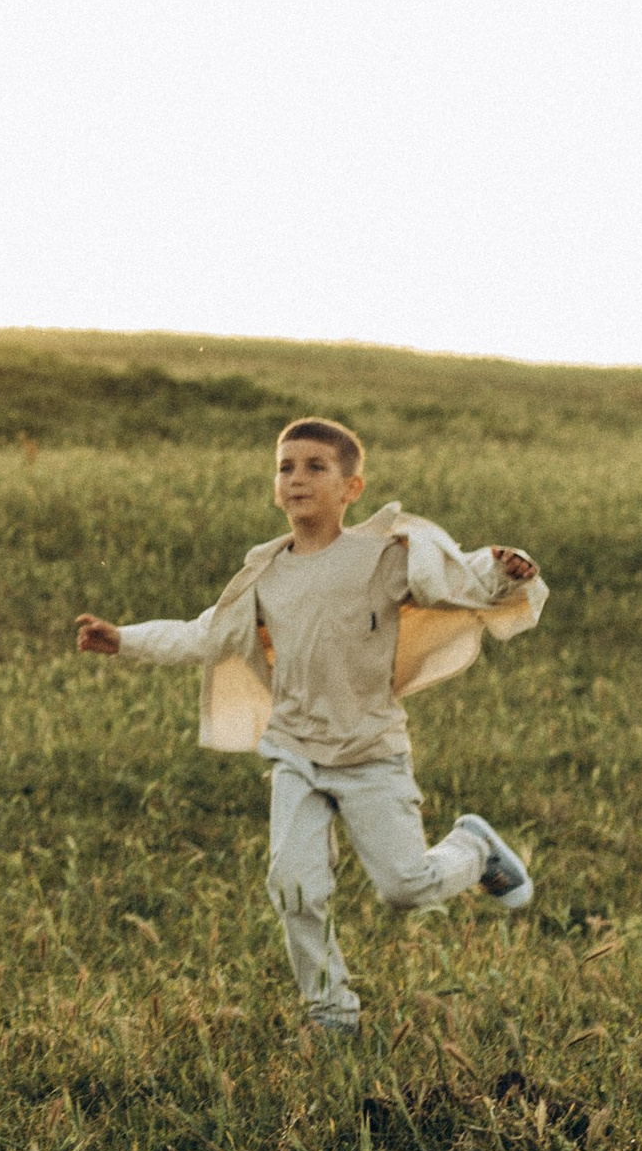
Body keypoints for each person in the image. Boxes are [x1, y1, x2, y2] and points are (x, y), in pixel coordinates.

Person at [74, 417, 547, 1046]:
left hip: (370, 753)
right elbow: (206, 633)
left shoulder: (382, 556)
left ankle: (475, 849)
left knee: (405, 888)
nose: (297, 479)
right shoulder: (266, 572)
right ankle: (331, 1008)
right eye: (285, 467)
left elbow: (458, 581)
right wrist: (124, 640)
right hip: (296, 751)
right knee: (293, 885)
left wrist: (505, 573)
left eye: (315, 467)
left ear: (351, 488)